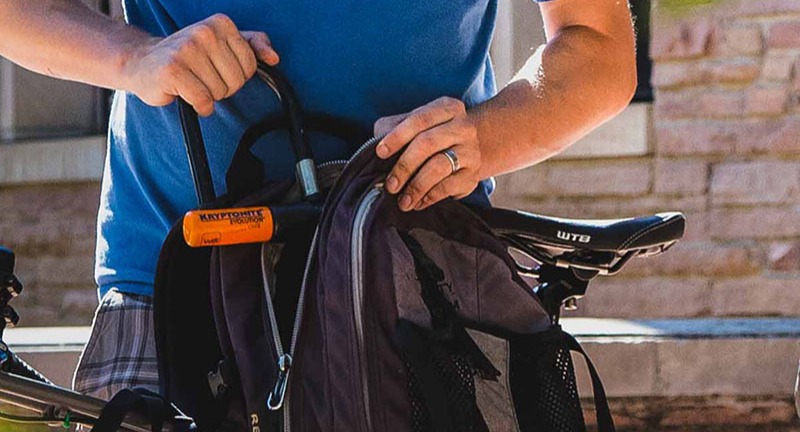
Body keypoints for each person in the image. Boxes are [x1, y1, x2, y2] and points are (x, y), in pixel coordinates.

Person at [0, 0, 636, 400]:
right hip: (174, 287)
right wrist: (134, 55)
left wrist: (484, 137)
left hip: (418, 293)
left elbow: (599, 44)